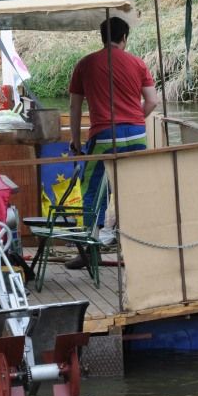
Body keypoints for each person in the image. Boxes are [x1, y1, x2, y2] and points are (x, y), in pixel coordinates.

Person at [67, 17, 158, 265]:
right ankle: (137, 247)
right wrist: (135, 117)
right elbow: (152, 101)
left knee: (93, 189)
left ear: (102, 37)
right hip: (137, 134)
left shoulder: (85, 65)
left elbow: (75, 107)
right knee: (132, 189)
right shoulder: (138, 63)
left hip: (104, 135)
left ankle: (89, 250)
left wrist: (76, 142)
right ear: (124, 38)